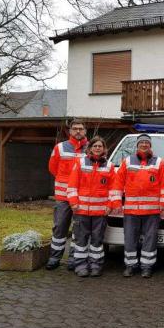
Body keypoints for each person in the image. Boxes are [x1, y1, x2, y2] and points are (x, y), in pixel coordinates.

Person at [110, 133, 164, 278]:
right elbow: (117, 184)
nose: (144, 145)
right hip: (131, 210)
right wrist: (117, 202)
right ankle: (130, 266)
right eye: (141, 142)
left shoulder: (159, 162)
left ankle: (147, 266)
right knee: (130, 238)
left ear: (150, 146)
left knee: (150, 239)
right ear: (137, 145)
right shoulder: (127, 161)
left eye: (146, 143)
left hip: (152, 210)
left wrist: (162, 204)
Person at [67, 136, 116, 277]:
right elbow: (72, 185)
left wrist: (110, 205)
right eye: (95, 146)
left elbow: (113, 189)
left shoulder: (109, 166)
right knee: (81, 240)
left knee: (97, 240)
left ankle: (96, 265)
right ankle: (81, 265)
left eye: (100, 146)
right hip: (81, 210)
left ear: (104, 149)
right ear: (90, 148)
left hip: (100, 212)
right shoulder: (81, 163)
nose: (97, 148)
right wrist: (73, 202)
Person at [46, 119, 88, 270]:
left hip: (82, 197)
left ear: (85, 131)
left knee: (79, 229)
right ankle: (54, 257)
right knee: (59, 226)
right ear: (70, 131)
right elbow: (52, 168)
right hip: (63, 196)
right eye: (75, 128)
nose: (78, 131)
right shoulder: (60, 148)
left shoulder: (91, 149)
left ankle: (74, 259)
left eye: (81, 129)